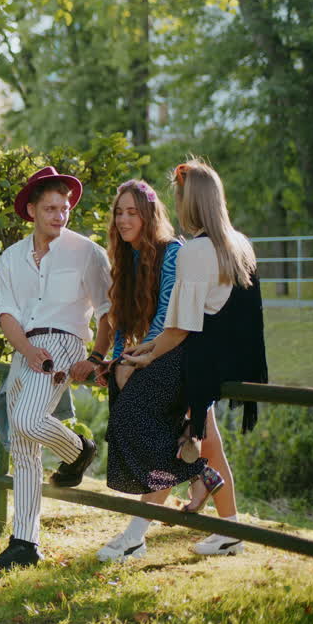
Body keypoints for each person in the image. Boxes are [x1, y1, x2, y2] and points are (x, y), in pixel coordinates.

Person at [116, 159, 268, 558]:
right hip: (228, 361)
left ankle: (138, 532)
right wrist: (144, 349)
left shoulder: (195, 251)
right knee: (206, 437)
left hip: (197, 361)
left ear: (189, 202)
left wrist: (146, 358)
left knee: (142, 415)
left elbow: (180, 328)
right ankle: (228, 525)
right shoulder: (240, 243)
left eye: (179, 197)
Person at [0, 166, 114, 574]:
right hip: (25, 347)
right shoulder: (11, 257)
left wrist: (94, 357)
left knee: (25, 419)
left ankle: (79, 450)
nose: (60, 215)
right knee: (22, 447)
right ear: (32, 211)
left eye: (65, 208)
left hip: (65, 339)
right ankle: (25, 542)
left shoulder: (87, 252)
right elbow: (5, 313)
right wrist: (26, 349)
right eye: (52, 208)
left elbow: (109, 312)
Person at [92, 179, 217, 562]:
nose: (124, 219)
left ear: (149, 214)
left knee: (133, 418)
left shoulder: (172, 251)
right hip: (149, 352)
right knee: (133, 422)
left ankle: (190, 479)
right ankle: (190, 481)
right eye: (119, 212)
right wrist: (115, 361)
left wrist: (136, 359)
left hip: (179, 353)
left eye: (133, 212)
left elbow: (167, 315)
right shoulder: (125, 259)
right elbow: (120, 317)